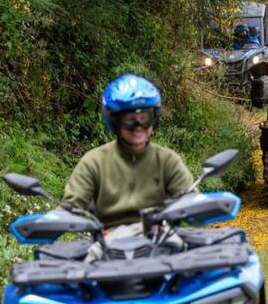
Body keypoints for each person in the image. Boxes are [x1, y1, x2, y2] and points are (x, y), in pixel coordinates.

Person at [62, 74, 194, 229]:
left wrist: (203, 206)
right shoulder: (94, 162)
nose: (138, 126)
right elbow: (70, 207)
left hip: (162, 239)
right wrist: (47, 223)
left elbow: (192, 201)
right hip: (108, 244)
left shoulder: (167, 160)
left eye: (144, 117)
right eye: (130, 118)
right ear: (114, 120)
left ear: (154, 119)